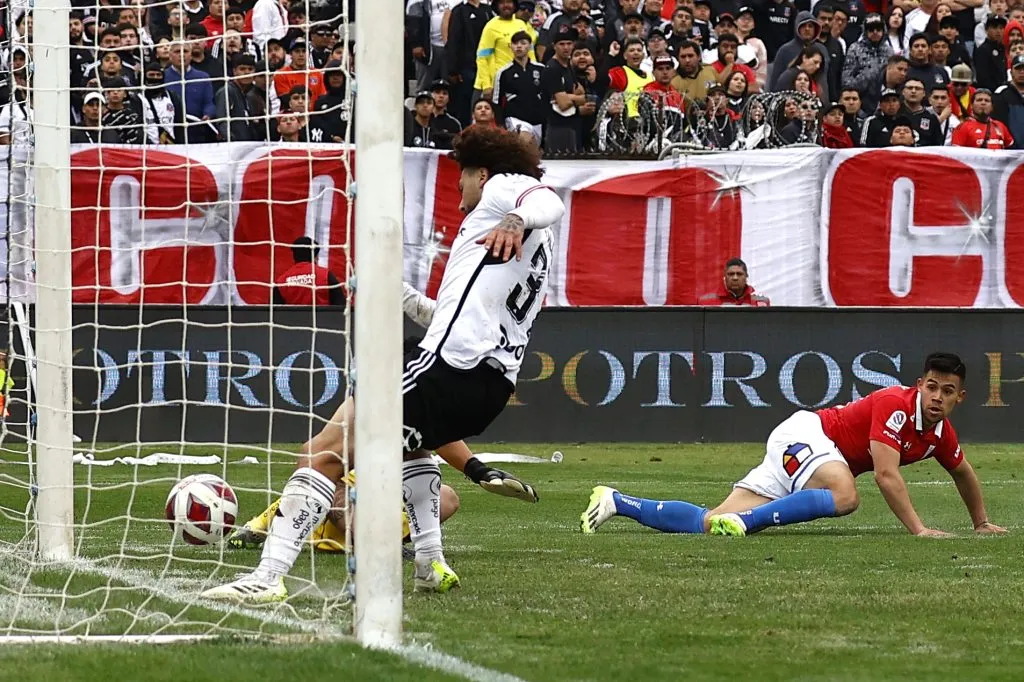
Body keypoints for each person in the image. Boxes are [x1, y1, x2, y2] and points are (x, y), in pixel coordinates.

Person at [201, 126, 564, 602]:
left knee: (321, 453)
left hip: (449, 369)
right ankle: (431, 561)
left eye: (460, 185)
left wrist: (516, 217)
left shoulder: (505, 191)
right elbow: (454, 314)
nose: (459, 202)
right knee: (413, 447)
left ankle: (267, 577)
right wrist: (406, 296)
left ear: (482, 172)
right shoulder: (535, 250)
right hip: (489, 389)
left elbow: (548, 200)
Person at [581, 353, 1008, 539]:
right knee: (845, 496)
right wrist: (919, 530)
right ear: (920, 385)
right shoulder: (897, 405)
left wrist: (980, 522)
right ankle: (750, 523)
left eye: (946, 391)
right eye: (931, 386)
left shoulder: (939, 433)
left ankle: (618, 502)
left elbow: (963, 471)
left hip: (808, 452)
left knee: (709, 524)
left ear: (959, 397)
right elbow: (885, 474)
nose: (936, 396)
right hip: (808, 437)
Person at [494, 30, 546, 145]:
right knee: (524, 141)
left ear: (530, 46)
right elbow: (496, 101)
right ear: (510, 46)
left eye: (523, 43)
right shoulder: (503, 72)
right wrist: (500, 125)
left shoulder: (541, 69)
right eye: (515, 43)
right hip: (515, 118)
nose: (519, 46)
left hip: (538, 120)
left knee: (533, 155)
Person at [475, 0, 535, 99]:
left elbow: (530, 52)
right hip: (495, 83)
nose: (506, 5)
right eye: (502, 3)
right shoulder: (491, 26)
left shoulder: (522, 25)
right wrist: (486, 85)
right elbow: (482, 57)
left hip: (517, 80)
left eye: (509, 2)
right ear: (497, 6)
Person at [272, 237, 345, 306]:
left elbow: (273, 311)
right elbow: (340, 305)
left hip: (291, 319)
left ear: (294, 256)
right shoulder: (325, 275)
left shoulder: (281, 281)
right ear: (315, 257)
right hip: (322, 318)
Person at [769, 12, 829, 92]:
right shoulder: (785, 50)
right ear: (797, 28)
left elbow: (825, 79)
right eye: (803, 26)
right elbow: (775, 83)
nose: (807, 29)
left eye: (810, 26)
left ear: (816, 29)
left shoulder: (822, 49)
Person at [699, 258, 770, 306]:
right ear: (725, 277)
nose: (735, 278)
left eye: (739, 274)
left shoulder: (760, 303)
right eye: (731, 274)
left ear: (746, 276)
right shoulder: (706, 302)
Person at [993, 54, 1024, 146]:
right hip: (1010, 151)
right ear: (1011, 72)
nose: (1022, 72)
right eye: (1018, 68)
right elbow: (997, 124)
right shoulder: (1001, 93)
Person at [901, 77, 943, 145]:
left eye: (917, 88)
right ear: (903, 92)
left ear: (924, 93)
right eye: (910, 88)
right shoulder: (894, 114)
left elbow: (938, 146)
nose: (913, 91)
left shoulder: (931, 119)